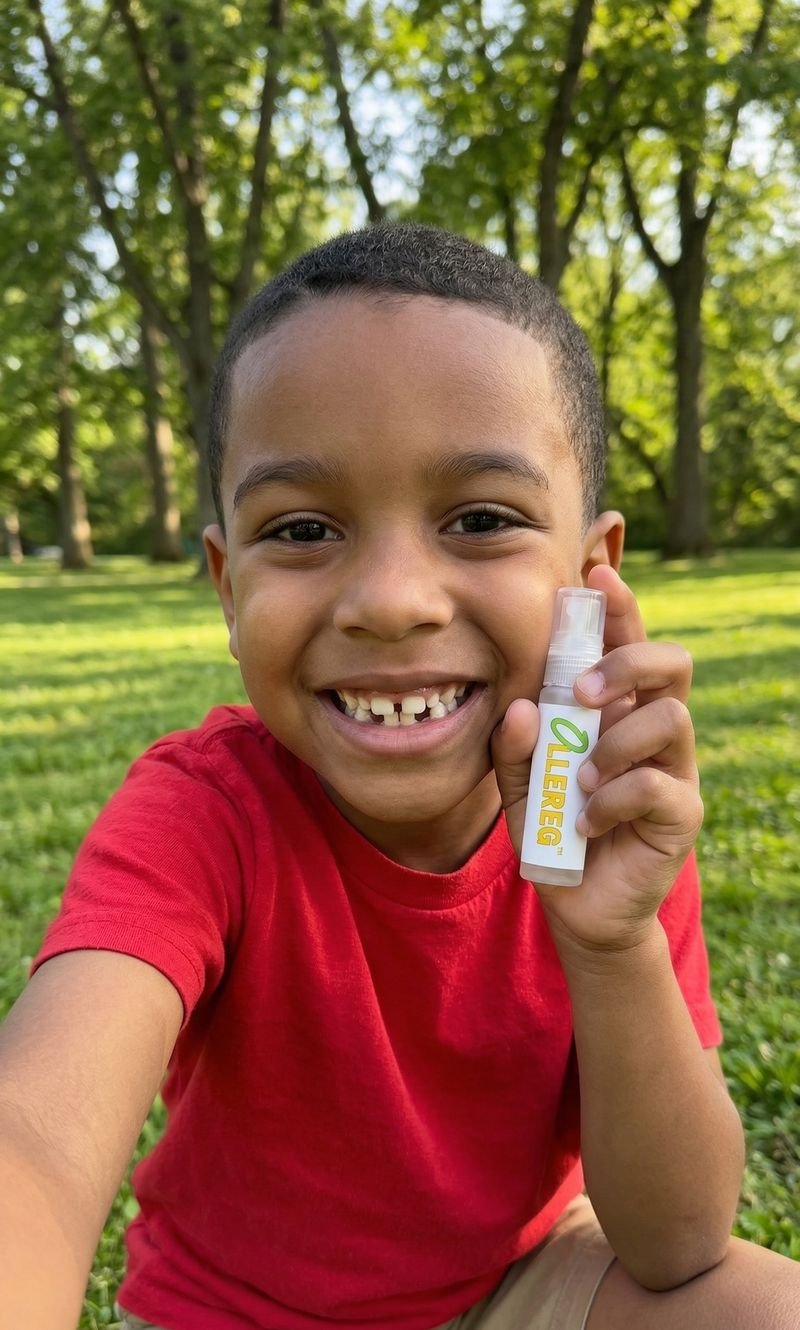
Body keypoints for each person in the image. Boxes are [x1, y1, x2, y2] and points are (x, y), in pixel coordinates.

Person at [1, 224, 797, 1330]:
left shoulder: (610, 810)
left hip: (522, 1278)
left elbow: (674, 1243)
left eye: (479, 519)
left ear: (588, 577)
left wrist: (608, 944)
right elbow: (31, 1138)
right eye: (304, 527)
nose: (390, 599)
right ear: (229, 587)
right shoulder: (204, 810)